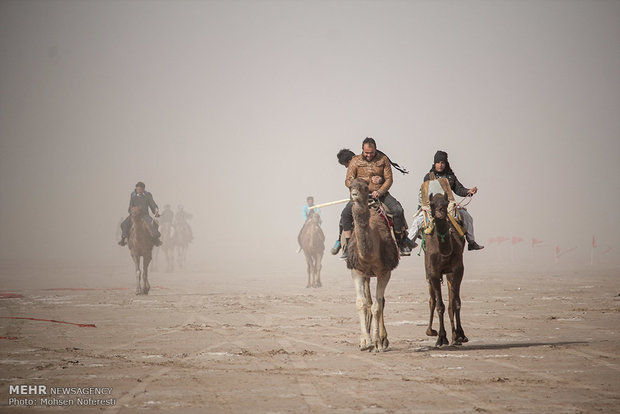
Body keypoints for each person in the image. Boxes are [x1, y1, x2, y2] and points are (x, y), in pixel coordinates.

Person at [343, 137, 412, 256]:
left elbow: (389, 179)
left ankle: (400, 241)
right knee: (345, 214)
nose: (369, 155)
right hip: (361, 196)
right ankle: (347, 246)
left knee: (398, 210)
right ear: (362, 150)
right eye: (366, 153)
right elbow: (348, 181)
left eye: (371, 153)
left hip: (382, 195)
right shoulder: (355, 161)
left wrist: (380, 191)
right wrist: (368, 180)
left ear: (375, 150)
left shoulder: (383, 159)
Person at [408, 150, 484, 251]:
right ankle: (408, 245)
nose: (440, 165)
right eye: (438, 162)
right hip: (433, 207)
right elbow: (424, 193)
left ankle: (471, 242)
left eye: (442, 162)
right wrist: (422, 208)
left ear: (446, 163)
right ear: (434, 163)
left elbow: (459, 189)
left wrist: (469, 191)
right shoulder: (429, 177)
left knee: (467, 216)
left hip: (449, 206)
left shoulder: (451, 177)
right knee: (417, 221)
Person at [118, 181, 162, 246]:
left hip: (144, 215)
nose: (137, 190)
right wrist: (131, 212)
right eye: (137, 189)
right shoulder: (133, 195)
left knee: (153, 224)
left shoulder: (148, 195)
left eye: (139, 189)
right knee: (124, 224)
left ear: (143, 189)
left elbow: (152, 204)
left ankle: (155, 240)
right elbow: (130, 207)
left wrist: (156, 211)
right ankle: (123, 238)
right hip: (134, 215)